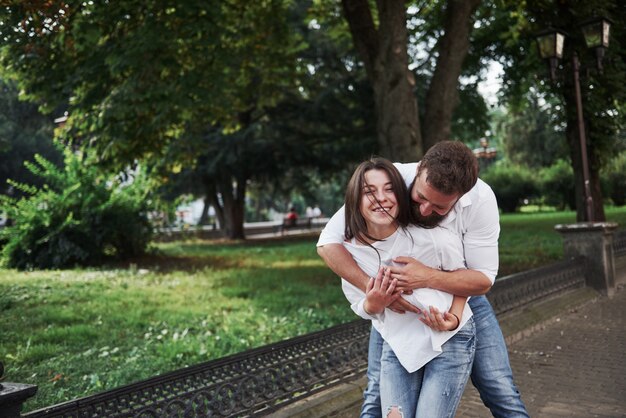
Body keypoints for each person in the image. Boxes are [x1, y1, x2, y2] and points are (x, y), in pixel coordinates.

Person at [317, 141, 529, 418]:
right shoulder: (390, 183)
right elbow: (327, 243)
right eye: (419, 198)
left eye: (440, 207)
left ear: (460, 197)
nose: (426, 210)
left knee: (497, 386)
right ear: (418, 172)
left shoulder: (479, 202)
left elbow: (481, 279)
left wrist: (430, 283)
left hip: (459, 298)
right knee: (375, 396)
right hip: (399, 314)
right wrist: (378, 292)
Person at [339, 157, 476, 417]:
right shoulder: (350, 254)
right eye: (370, 191)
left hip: (449, 339)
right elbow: (360, 305)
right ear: (356, 198)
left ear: (401, 194)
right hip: (401, 345)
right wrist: (374, 302)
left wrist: (454, 319)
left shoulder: (429, 237)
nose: (381, 198)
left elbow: (463, 278)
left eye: (390, 189)